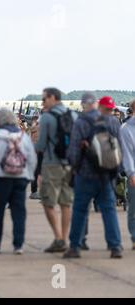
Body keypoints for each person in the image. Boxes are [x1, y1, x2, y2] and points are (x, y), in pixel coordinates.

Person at [64, 95, 123, 259]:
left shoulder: (81, 122)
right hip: (107, 174)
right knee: (109, 210)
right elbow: (119, 148)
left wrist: (74, 168)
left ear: (84, 105)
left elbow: (74, 151)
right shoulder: (112, 122)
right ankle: (115, 246)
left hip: (85, 174)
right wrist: (115, 172)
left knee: (80, 210)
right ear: (96, 104)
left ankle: (75, 246)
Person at [0, 109, 37, 255]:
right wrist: (29, 176)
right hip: (21, 177)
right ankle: (18, 244)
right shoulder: (23, 136)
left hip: (0, 178)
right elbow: (31, 157)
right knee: (19, 212)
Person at [36, 88, 76, 253]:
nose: (42, 102)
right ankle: (65, 238)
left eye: (44, 99)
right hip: (70, 164)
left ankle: (58, 237)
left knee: (48, 202)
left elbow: (41, 145)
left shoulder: (46, 117)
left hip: (52, 163)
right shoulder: (73, 115)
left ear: (53, 97)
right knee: (66, 202)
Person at [120, 99, 135, 251]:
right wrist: (131, 173)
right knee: (133, 207)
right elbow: (127, 154)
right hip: (134, 173)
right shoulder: (126, 128)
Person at [30, 115, 42, 200]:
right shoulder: (41, 128)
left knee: (36, 171)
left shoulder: (34, 128)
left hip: (34, 151)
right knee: (39, 172)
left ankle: (34, 191)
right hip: (40, 151)